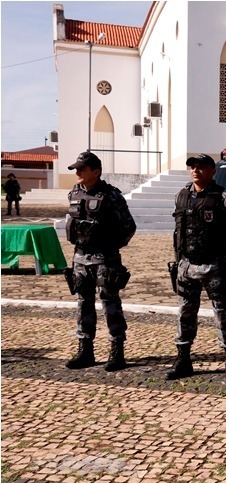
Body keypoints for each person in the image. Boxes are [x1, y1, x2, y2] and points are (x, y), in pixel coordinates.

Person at [169, 154, 226, 384]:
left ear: (212, 171)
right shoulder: (181, 196)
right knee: (185, 312)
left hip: (215, 265)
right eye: (192, 167)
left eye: (201, 167)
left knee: (222, 314)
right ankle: (183, 359)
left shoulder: (225, 199)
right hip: (186, 265)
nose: (195, 170)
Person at [64, 152, 137, 371]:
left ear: (95, 172)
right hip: (80, 257)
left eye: (82, 169)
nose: (78, 172)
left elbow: (128, 226)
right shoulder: (74, 193)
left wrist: (110, 248)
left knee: (109, 303)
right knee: (83, 303)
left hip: (105, 258)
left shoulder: (111, 196)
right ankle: (85, 350)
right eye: (76, 169)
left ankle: (117, 351)